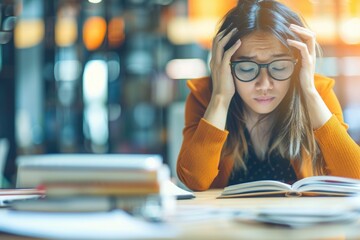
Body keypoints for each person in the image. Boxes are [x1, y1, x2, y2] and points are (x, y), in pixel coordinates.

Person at [176, 0, 360, 191]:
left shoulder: (319, 94)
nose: (264, 85)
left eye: (279, 67)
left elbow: (355, 178)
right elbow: (194, 180)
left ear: (299, 64)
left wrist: (310, 92)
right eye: (247, 69)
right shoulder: (205, 96)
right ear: (224, 66)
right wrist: (221, 98)